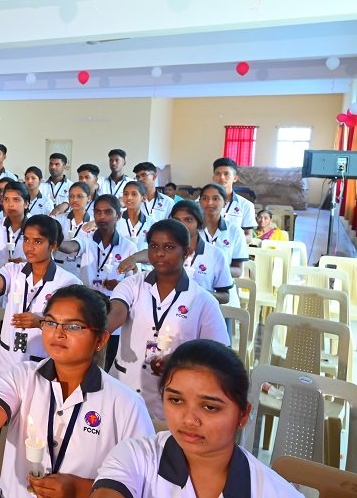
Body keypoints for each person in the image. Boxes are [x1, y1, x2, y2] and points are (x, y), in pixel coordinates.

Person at [0, 285, 155, 498]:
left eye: (73, 326)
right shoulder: (24, 376)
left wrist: (80, 489)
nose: (58, 333)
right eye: (50, 322)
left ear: (101, 339)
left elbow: (144, 483)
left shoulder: (126, 404)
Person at [92, 340, 301, 497]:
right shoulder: (137, 457)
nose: (189, 420)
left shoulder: (273, 491)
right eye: (176, 400)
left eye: (210, 407)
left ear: (243, 415)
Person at [106, 220, 230, 421]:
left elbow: (219, 353)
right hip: (123, 389)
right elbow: (117, 311)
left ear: (186, 252)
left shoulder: (203, 301)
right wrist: (99, 330)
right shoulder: (132, 284)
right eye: (154, 246)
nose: (160, 253)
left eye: (169, 247)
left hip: (170, 398)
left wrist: (180, 359)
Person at [0, 215, 82, 381]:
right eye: (26, 239)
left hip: (41, 362)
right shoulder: (14, 270)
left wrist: (41, 322)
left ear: (53, 245)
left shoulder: (68, 282)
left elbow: (73, 327)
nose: (29, 247)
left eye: (38, 241)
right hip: (6, 359)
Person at [119, 201, 234, 305]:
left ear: (199, 224)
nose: (182, 224)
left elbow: (225, 296)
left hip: (199, 310)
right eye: (177, 220)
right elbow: (151, 254)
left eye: (188, 220)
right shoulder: (167, 248)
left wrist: (197, 293)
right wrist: (133, 258)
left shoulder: (215, 254)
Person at [198, 184, 247, 281]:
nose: (209, 203)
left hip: (224, 284)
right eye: (205, 198)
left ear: (225, 203)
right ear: (199, 202)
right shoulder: (192, 229)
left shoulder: (235, 231)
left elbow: (238, 270)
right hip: (196, 284)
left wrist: (212, 270)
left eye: (215, 199)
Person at [0, 180, 29, 272]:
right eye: (6, 199)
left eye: (16, 199)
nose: (10, 204)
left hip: (23, 278)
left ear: (26, 204)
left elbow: (46, 261)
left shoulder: (36, 228)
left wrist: (27, 263)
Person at [212, 157, 257, 238]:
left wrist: (229, 242)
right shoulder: (202, 202)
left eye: (226, 174)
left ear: (235, 178)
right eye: (217, 174)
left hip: (233, 246)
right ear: (213, 178)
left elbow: (249, 236)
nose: (222, 177)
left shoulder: (246, 205)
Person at [118, 180, 154, 250]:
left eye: (134, 194)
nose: (129, 198)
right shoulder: (116, 220)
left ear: (143, 198)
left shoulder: (151, 223)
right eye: (126, 194)